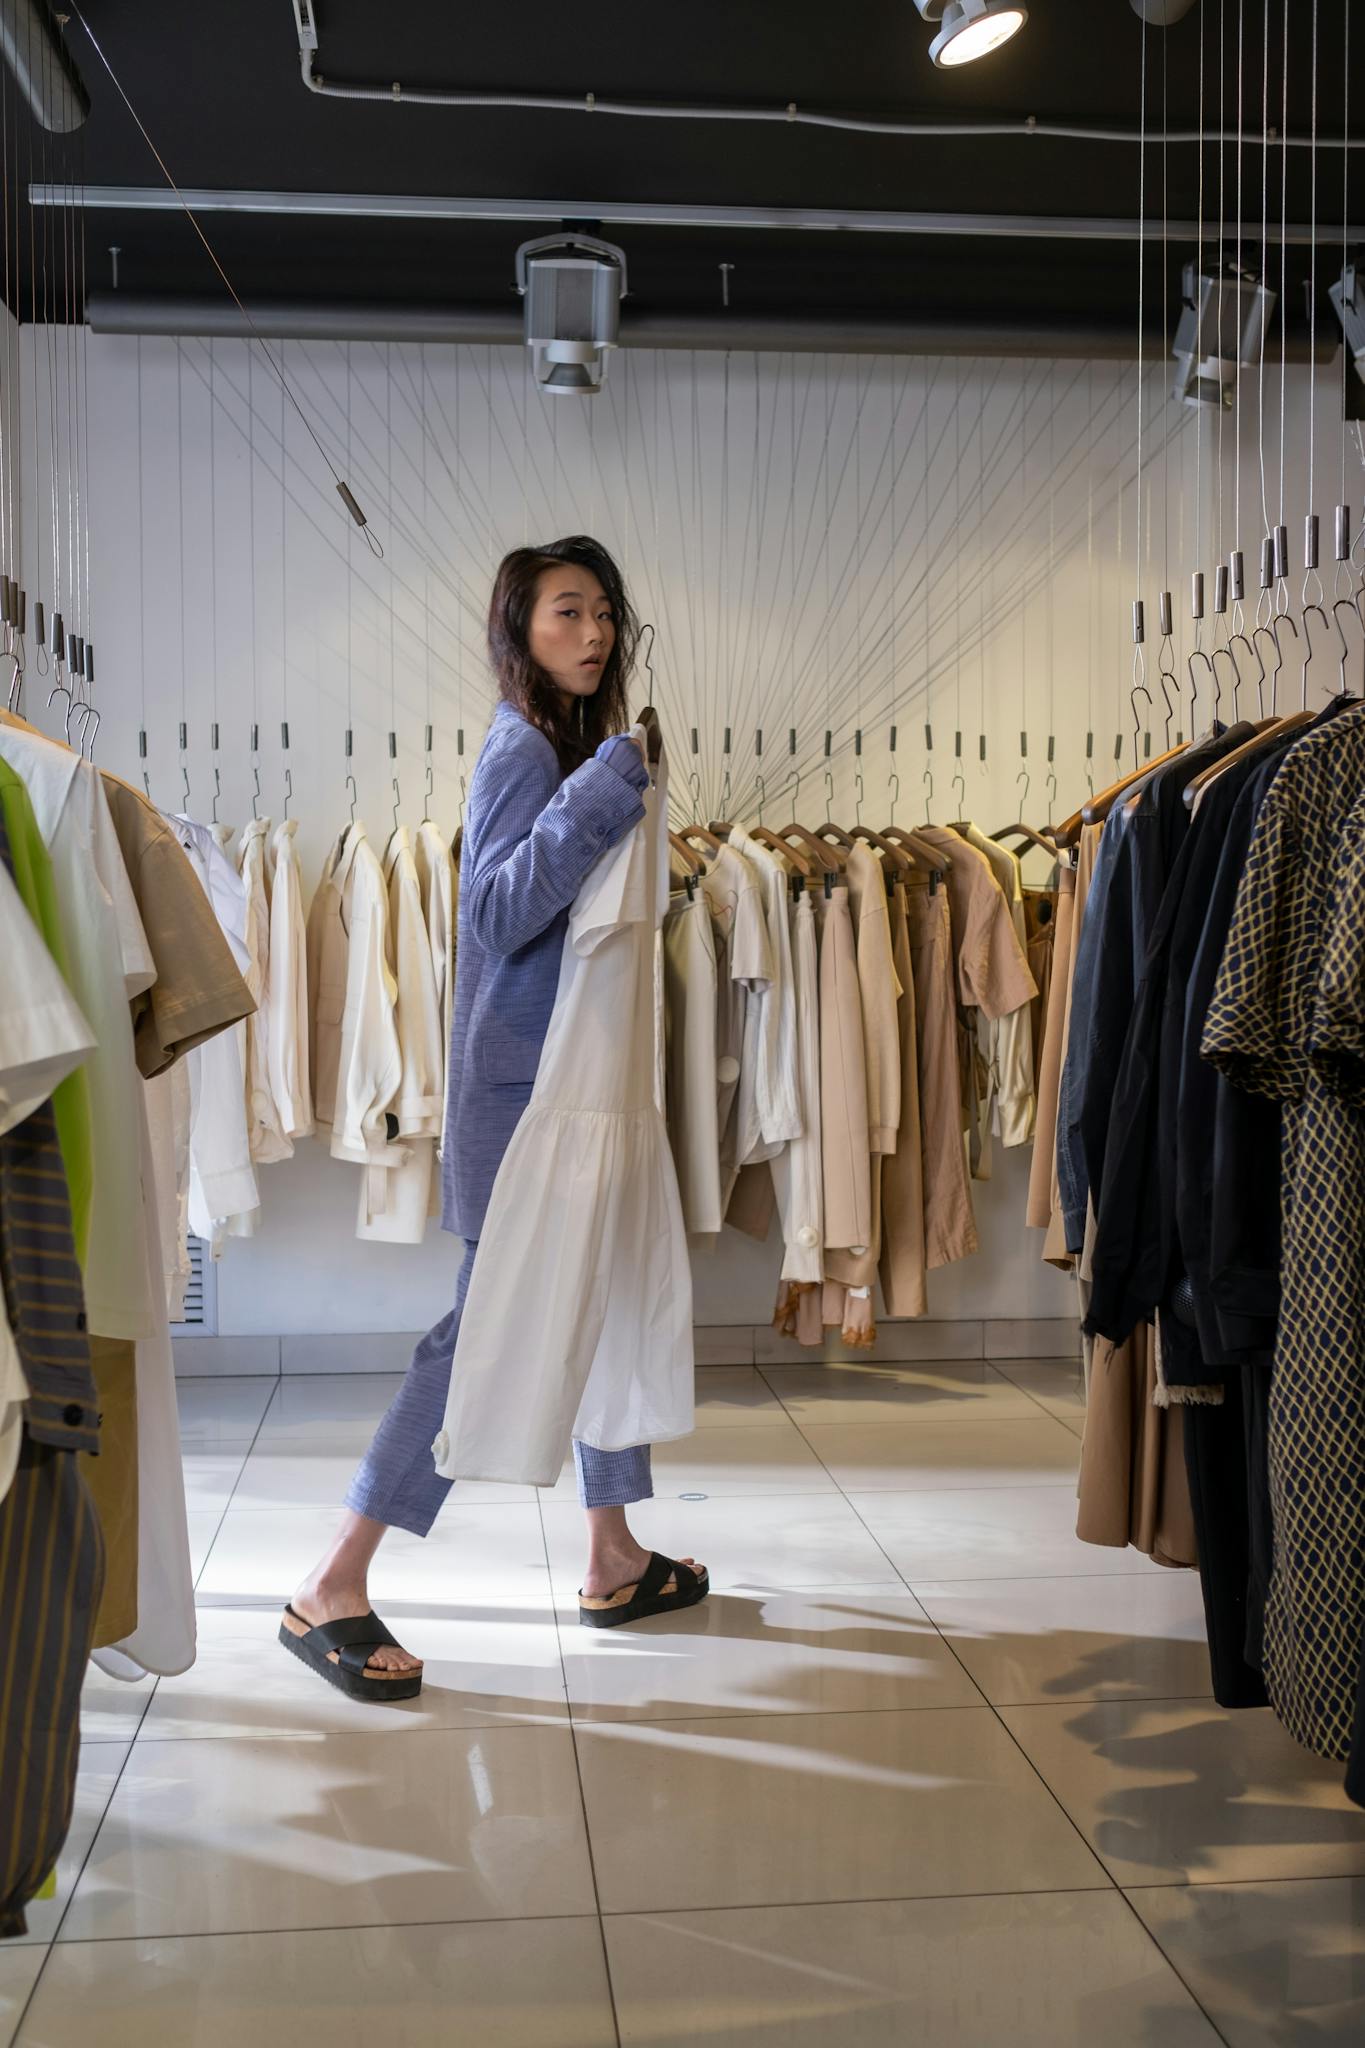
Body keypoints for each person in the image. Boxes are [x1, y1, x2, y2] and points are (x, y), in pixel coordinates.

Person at [280, 536, 707, 1700]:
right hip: (525, 1103)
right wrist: (609, 791)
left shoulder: (572, 744)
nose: (594, 633)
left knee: (604, 1295)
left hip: (582, 1091)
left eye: (606, 613)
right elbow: (501, 908)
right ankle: (334, 1578)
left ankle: (613, 1553)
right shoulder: (523, 744)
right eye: (567, 613)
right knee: (480, 1336)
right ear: (518, 628)